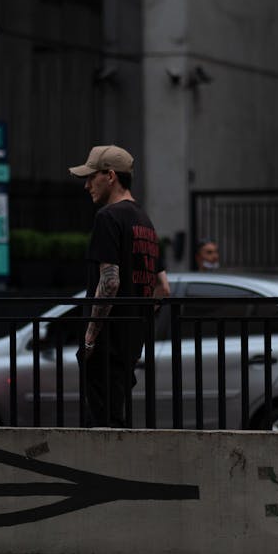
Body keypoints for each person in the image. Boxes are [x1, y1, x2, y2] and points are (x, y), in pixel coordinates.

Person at [69, 144, 170, 426]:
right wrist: (139, 322)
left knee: (102, 429)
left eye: (92, 177)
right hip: (130, 344)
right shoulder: (144, 221)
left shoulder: (108, 218)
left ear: (110, 175)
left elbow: (110, 282)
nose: (87, 184)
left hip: (106, 344)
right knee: (116, 421)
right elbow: (163, 287)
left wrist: (90, 338)